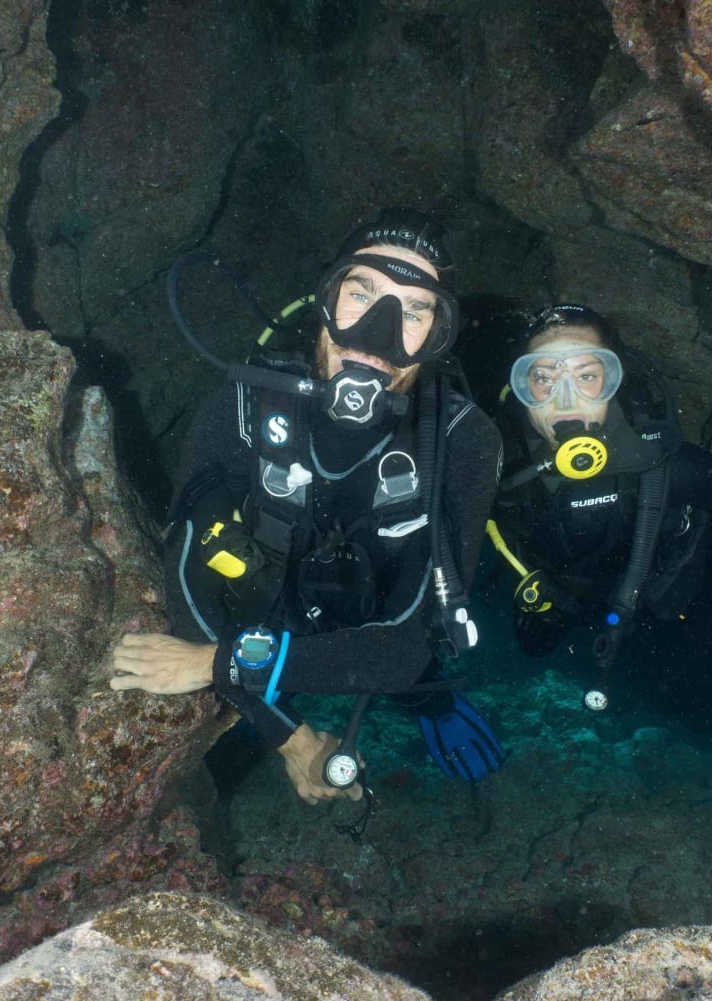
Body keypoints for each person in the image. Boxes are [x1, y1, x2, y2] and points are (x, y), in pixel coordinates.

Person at [108, 208, 505, 804]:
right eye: (362, 291)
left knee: (421, 674)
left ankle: (433, 704)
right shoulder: (243, 405)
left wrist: (222, 667)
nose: (378, 331)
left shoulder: (463, 441)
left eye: (416, 310)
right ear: (324, 297)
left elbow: (401, 651)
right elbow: (188, 584)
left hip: (375, 630)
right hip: (270, 610)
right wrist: (288, 734)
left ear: (439, 336)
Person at [485, 304, 712, 705]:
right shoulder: (498, 458)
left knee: (692, 680)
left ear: (614, 381)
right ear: (522, 388)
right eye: (543, 378)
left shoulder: (659, 459)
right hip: (557, 590)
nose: (565, 401)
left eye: (587, 376)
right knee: (533, 648)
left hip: (661, 593)